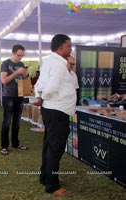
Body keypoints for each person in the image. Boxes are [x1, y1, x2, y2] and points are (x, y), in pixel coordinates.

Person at [36, 34, 77, 197]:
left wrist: (40, 97)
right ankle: (52, 186)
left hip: (52, 109)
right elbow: (51, 88)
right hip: (57, 110)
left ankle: (45, 177)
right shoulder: (59, 65)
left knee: (49, 145)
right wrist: (43, 97)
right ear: (60, 47)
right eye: (69, 46)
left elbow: (41, 83)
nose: (71, 48)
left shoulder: (50, 62)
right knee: (55, 149)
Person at [0, 44, 29, 156]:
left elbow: (24, 80)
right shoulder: (6, 63)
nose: (20, 58)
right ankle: (4, 146)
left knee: (17, 122)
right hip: (9, 96)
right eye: (19, 55)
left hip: (20, 96)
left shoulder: (21, 64)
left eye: (22, 55)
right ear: (13, 52)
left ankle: (16, 144)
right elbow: (4, 81)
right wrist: (17, 72)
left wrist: (26, 75)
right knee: (7, 121)